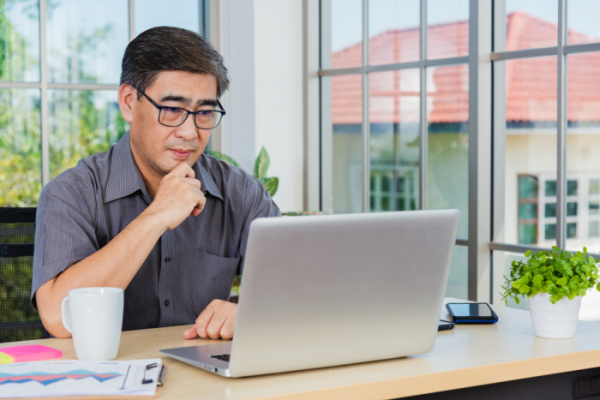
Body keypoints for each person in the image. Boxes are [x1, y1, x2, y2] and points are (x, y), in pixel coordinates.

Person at [31, 26, 281, 340]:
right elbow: (58, 316)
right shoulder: (71, 194)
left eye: (204, 112)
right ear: (127, 102)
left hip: (207, 383)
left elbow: (301, 286)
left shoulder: (241, 194)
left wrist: (249, 312)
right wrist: (156, 216)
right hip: (105, 382)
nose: (190, 132)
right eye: (173, 109)